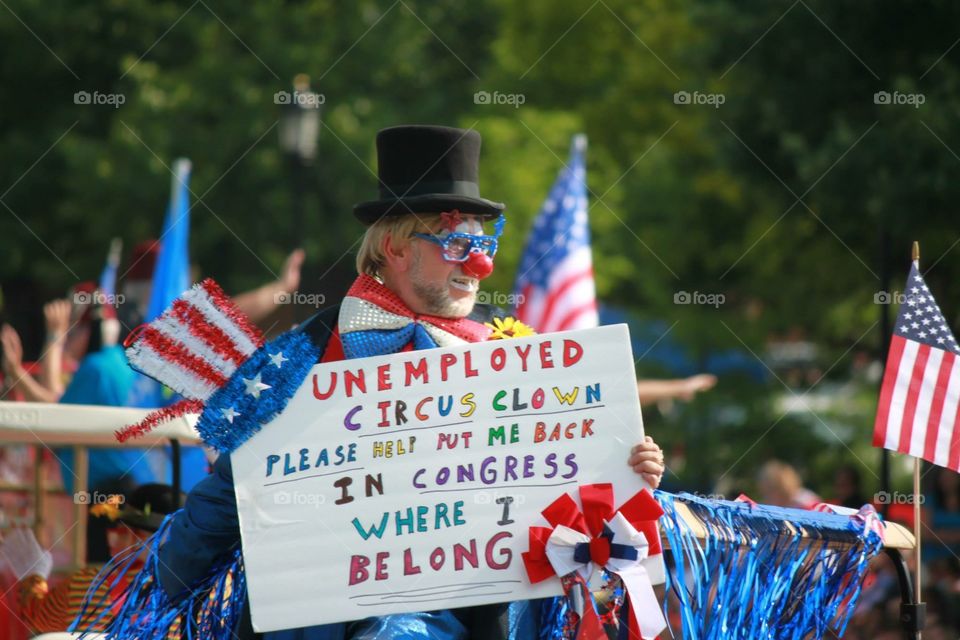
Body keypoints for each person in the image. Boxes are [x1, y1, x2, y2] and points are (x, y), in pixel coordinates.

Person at [151, 125, 665, 640]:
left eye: (484, 243)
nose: (480, 266)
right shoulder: (306, 352)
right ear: (396, 248)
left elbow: (569, 491)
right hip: (327, 617)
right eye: (458, 243)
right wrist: (159, 590)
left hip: (477, 616)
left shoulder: (512, 355)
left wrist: (626, 469)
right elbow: (234, 489)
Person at [1, 484, 182, 635]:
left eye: (121, 531)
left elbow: (36, 614)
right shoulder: (203, 598)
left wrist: (33, 575)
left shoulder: (87, 585)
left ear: (135, 538)